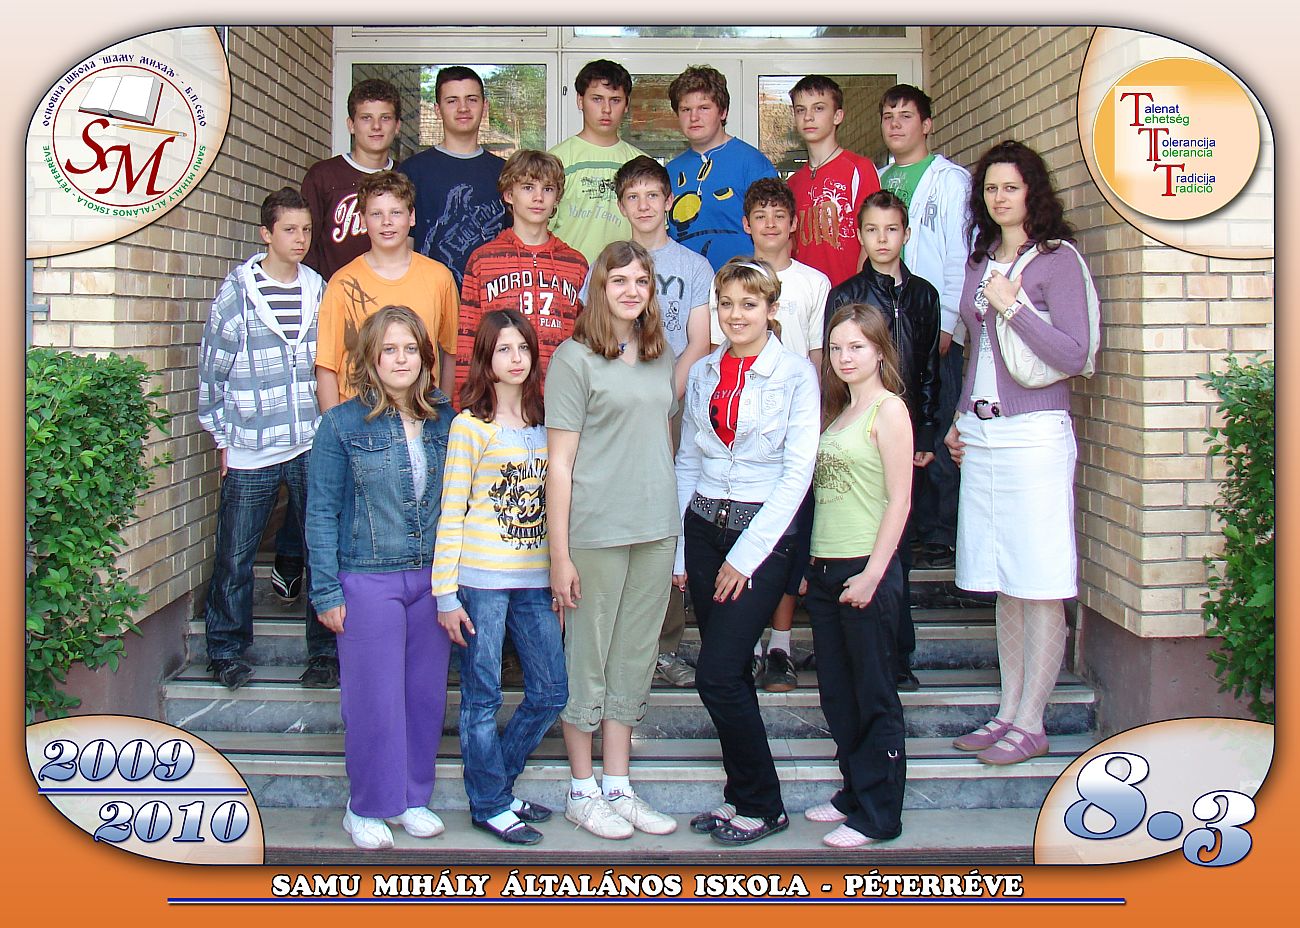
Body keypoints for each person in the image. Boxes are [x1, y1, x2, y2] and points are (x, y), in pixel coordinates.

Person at [946, 140, 1094, 766]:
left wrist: (1015, 307)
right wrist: (960, 416)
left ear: (1033, 191)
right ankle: (1007, 711)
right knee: (1005, 582)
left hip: (1034, 434)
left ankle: (1033, 721)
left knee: (1038, 580)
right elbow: (978, 350)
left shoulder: (1058, 260)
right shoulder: (981, 259)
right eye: (990, 188)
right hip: (983, 435)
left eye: (1011, 186)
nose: (999, 197)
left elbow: (1073, 354)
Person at [676, 258, 819, 845]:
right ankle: (740, 797)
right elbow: (688, 459)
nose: (736, 315)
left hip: (761, 538)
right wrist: (682, 552)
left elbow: (797, 473)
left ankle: (765, 804)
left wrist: (747, 555)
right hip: (704, 530)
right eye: (727, 304)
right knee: (729, 672)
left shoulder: (796, 375)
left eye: (749, 304)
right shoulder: (705, 371)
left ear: (771, 308)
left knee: (715, 676)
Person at [546, 241, 680, 840]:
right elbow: (559, 464)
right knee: (588, 660)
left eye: (641, 281)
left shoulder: (659, 354)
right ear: (598, 288)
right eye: (618, 280)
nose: (631, 290)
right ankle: (582, 789)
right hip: (596, 530)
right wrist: (560, 555)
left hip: (655, 526)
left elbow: (661, 441)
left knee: (633, 658)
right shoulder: (574, 359)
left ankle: (619, 786)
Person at [306, 305, 453, 850]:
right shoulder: (340, 424)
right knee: (374, 699)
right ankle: (366, 805)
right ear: (370, 357)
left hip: (432, 580)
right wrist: (326, 590)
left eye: (410, 349)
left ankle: (411, 797)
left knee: (424, 696)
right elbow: (321, 511)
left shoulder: (444, 419)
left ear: (425, 357)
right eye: (389, 349)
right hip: (368, 576)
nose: (401, 359)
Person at [578, 155, 715, 687]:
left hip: (673, 410)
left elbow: (699, 343)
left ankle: (664, 644)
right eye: (632, 196)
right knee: (617, 515)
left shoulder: (694, 267)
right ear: (621, 205)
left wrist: (661, 398)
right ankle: (614, 640)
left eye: (652, 195)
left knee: (666, 520)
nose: (643, 205)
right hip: (614, 413)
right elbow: (594, 336)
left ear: (668, 201)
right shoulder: (606, 264)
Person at [432, 310, 568, 845]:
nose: (516, 358)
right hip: (481, 581)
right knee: (482, 696)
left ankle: (497, 788)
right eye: (504, 349)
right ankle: (490, 804)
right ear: (485, 359)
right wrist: (445, 594)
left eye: (524, 348)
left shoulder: (545, 421)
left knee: (551, 691)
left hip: (535, 579)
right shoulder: (469, 426)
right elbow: (451, 511)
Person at [197, 188, 337, 689]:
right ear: (266, 234)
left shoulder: (319, 288)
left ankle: (324, 654)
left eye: (306, 229)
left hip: (309, 441)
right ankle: (225, 651)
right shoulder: (237, 293)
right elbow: (213, 368)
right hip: (251, 444)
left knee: (320, 550)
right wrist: (222, 436)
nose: (300, 239)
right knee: (236, 553)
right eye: (289, 230)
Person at [706, 178, 831, 693]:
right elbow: (717, 356)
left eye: (780, 214)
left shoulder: (814, 283)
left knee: (785, 540)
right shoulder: (730, 281)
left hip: (791, 426)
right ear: (747, 224)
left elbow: (819, 357)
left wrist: (817, 420)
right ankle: (750, 644)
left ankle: (780, 645)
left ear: (794, 223)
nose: (771, 224)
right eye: (760, 215)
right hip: (740, 431)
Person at [804, 304, 912, 848]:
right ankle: (853, 792)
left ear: (879, 351)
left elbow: (900, 500)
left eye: (857, 347)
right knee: (838, 695)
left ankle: (879, 815)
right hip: (825, 570)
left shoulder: (888, 410)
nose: (845, 357)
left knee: (873, 696)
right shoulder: (841, 410)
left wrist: (873, 573)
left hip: (866, 568)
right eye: (837, 348)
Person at [825, 190, 942, 692]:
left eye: (891, 229)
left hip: (903, 429)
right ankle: (852, 643)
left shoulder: (924, 295)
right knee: (863, 533)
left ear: (906, 234)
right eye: (872, 230)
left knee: (900, 543)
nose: (882, 239)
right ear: (859, 235)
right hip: (857, 430)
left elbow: (930, 368)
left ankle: (898, 652)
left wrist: (927, 428)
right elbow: (833, 367)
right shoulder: (846, 294)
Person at [878, 84, 971, 571]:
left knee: (934, 425)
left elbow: (959, 254)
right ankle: (905, 530)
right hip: (887, 326)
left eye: (906, 115)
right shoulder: (879, 178)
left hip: (933, 324)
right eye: (888, 116)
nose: (896, 124)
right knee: (896, 429)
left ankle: (940, 536)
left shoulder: (951, 181)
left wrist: (948, 323)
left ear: (927, 124)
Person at [314, 171, 459, 412]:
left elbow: (452, 352)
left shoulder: (439, 278)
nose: (386, 222)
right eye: (376, 214)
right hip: (359, 417)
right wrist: (334, 425)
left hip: (420, 412)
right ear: (362, 220)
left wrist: (443, 410)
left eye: (396, 212)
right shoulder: (342, 283)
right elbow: (326, 365)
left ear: (412, 217)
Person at [455, 150, 588, 402]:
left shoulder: (576, 264)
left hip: (561, 400)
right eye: (528, 187)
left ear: (557, 198)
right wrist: (464, 404)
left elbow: (585, 342)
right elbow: (468, 338)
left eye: (548, 189)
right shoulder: (484, 260)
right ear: (509, 195)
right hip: (499, 401)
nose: (538, 197)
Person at [399, 66, 507, 289]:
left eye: (472, 99)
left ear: (485, 107)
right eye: (452, 101)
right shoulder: (412, 171)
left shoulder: (506, 173)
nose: (463, 108)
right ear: (437, 110)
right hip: (429, 297)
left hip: (492, 301)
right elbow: (403, 244)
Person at [666, 65, 778, 270]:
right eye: (686, 109)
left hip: (743, 283)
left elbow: (776, 234)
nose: (694, 117)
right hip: (684, 285)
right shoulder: (670, 172)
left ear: (723, 112)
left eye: (704, 108)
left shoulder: (752, 163)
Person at [302, 78, 402, 282]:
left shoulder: (406, 175)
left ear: (397, 125)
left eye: (385, 118)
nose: (376, 126)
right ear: (351, 125)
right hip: (335, 292)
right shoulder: (324, 176)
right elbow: (305, 244)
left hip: (394, 295)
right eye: (366, 118)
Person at [548, 60, 647, 264]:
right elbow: (539, 231)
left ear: (627, 104)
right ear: (580, 100)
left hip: (627, 276)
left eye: (615, 100)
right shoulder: (555, 161)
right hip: (568, 276)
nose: (606, 109)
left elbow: (654, 233)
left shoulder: (642, 164)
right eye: (597, 99)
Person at [786, 75, 880, 287]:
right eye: (800, 110)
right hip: (806, 297)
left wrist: (860, 294)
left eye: (818, 108)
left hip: (849, 297)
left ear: (837, 116)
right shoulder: (793, 183)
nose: (808, 117)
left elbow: (872, 238)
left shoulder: (859, 168)